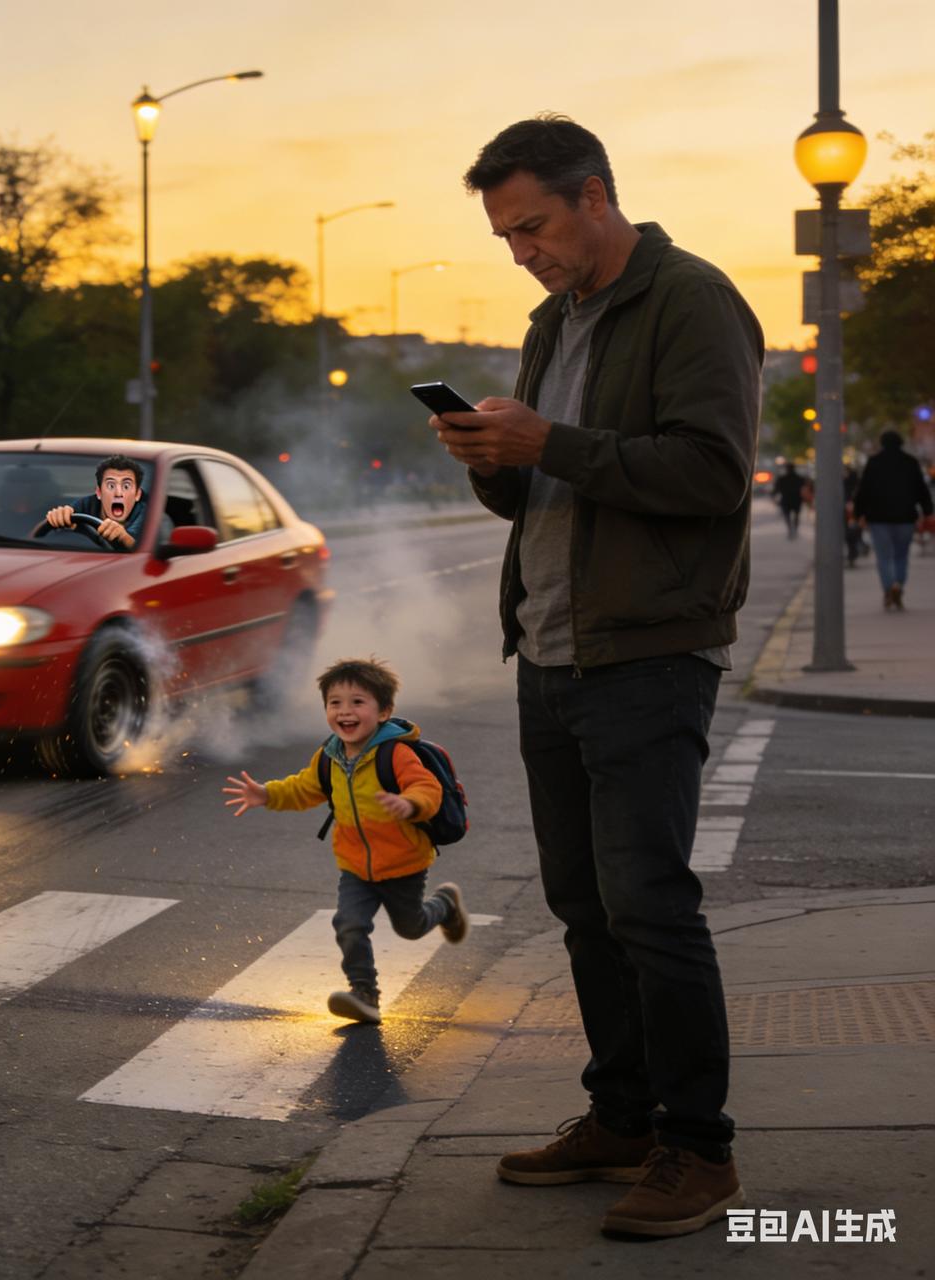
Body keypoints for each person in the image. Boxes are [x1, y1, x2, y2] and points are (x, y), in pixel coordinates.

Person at [427, 115, 761, 1239]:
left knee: (649, 905)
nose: (520, 250)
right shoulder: (547, 321)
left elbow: (713, 473)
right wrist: (490, 459)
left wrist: (547, 445)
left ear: (595, 195)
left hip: (647, 652)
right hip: (552, 649)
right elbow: (537, 497)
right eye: (503, 234)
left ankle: (697, 1147)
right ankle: (619, 1115)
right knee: (581, 907)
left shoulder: (691, 300)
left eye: (532, 226)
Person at [221, 657, 469, 1024]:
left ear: (384, 711)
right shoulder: (330, 756)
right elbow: (304, 788)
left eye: (357, 702)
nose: (345, 711)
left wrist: (409, 803)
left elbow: (427, 788)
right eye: (335, 703)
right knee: (349, 925)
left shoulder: (396, 753)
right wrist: (267, 794)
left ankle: (445, 904)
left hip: (403, 864)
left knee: (411, 927)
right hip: (355, 867)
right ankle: (364, 993)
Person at [851, 429, 933, 610]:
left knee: (883, 556)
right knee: (901, 555)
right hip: (905, 517)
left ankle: (889, 587)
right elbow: (921, 489)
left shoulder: (874, 462)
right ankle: (898, 584)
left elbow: (863, 491)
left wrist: (859, 514)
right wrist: (927, 511)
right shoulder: (910, 462)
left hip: (878, 517)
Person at [44, 454, 149, 550]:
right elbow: (38, 534)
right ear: (99, 492)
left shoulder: (148, 515)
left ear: (137, 495)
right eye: (111, 486)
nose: (118, 493)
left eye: (126, 486)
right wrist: (57, 517)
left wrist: (123, 537)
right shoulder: (85, 505)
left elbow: (145, 553)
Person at [773, 462, 805, 537]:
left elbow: (776, 489)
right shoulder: (800, 478)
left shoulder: (782, 479)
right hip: (797, 499)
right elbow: (804, 488)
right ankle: (795, 529)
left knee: (787, 515)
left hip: (786, 499)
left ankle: (790, 529)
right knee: (797, 515)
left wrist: (774, 497)